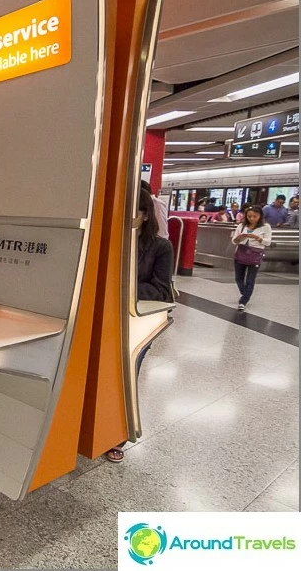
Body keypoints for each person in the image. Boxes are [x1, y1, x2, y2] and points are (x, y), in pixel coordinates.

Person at [106, 188, 174, 463]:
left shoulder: (160, 247)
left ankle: (116, 437)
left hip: (137, 323)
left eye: (133, 212)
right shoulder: (111, 241)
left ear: (145, 215)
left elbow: (160, 290)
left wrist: (119, 287)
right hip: (104, 319)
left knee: (126, 376)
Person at [232, 205, 272, 311]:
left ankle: (243, 301)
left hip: (255, 255)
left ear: (260, 216)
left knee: (250, 279)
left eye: (255, 216)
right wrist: (239, 238)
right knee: (238, 278)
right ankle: (246, 293)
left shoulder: (265, 227)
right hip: (241, 253)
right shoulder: (241, 226)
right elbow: (234, 241)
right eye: (249, 216)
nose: (252, 218)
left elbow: (268, 242)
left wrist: (258, 238)